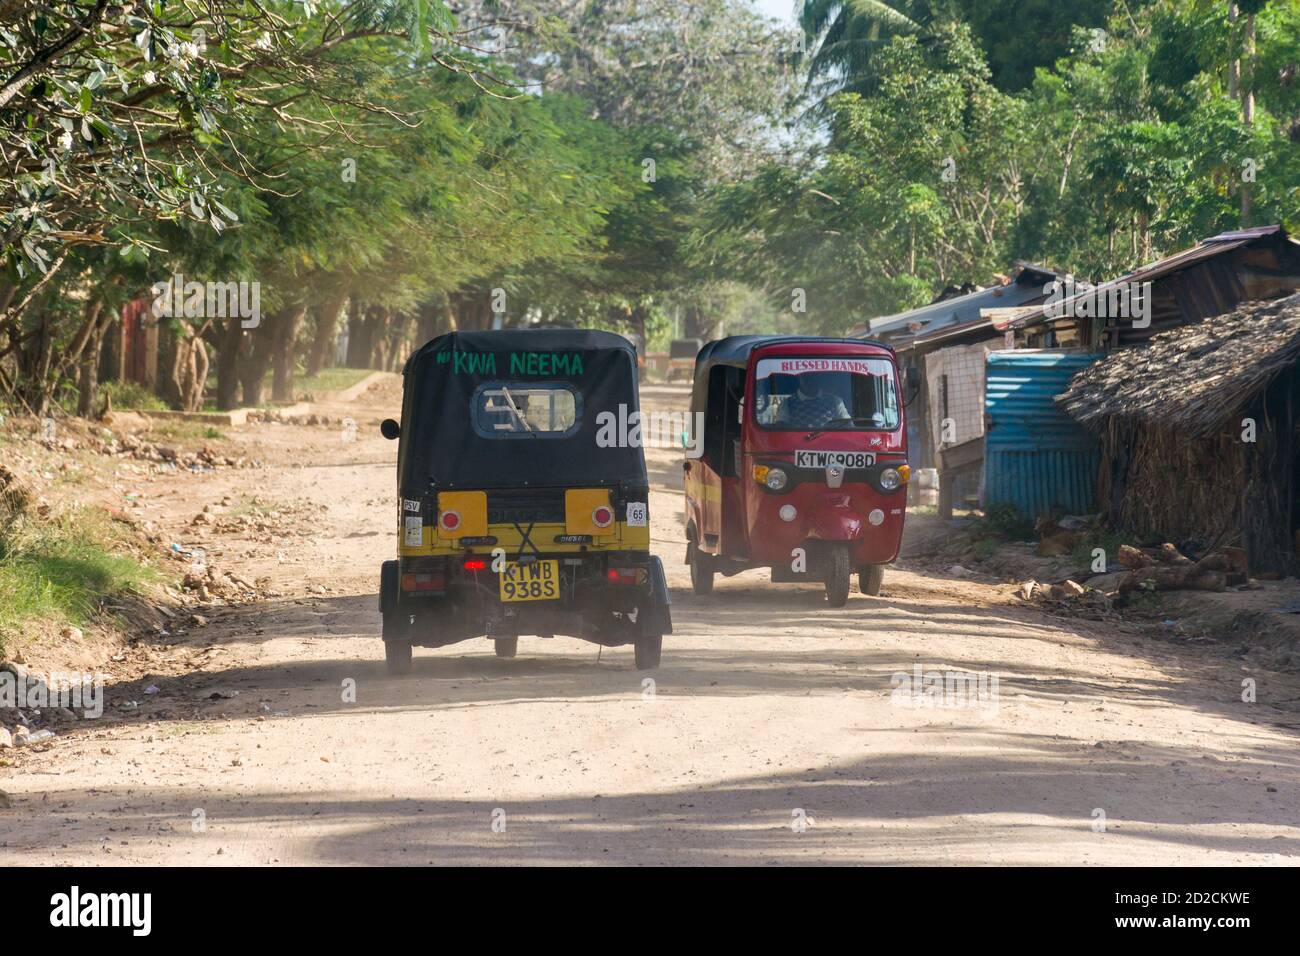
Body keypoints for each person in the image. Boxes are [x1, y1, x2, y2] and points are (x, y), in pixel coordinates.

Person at [775, 372, 851, 429]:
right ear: (800, 378)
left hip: (829, 446)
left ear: (818, 379)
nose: (810, 381)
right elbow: (781, 428)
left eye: (813, 377)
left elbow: (848, 425)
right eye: (806, 377)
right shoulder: (787, 404)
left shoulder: (835, 401)